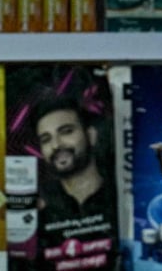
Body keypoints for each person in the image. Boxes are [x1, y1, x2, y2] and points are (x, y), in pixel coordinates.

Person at [33, 94, 117, 268]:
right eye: (46, 139)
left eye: (66, 131)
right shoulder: (40, 211)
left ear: (91, 136)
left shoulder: (119, 198)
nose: (56, 145)